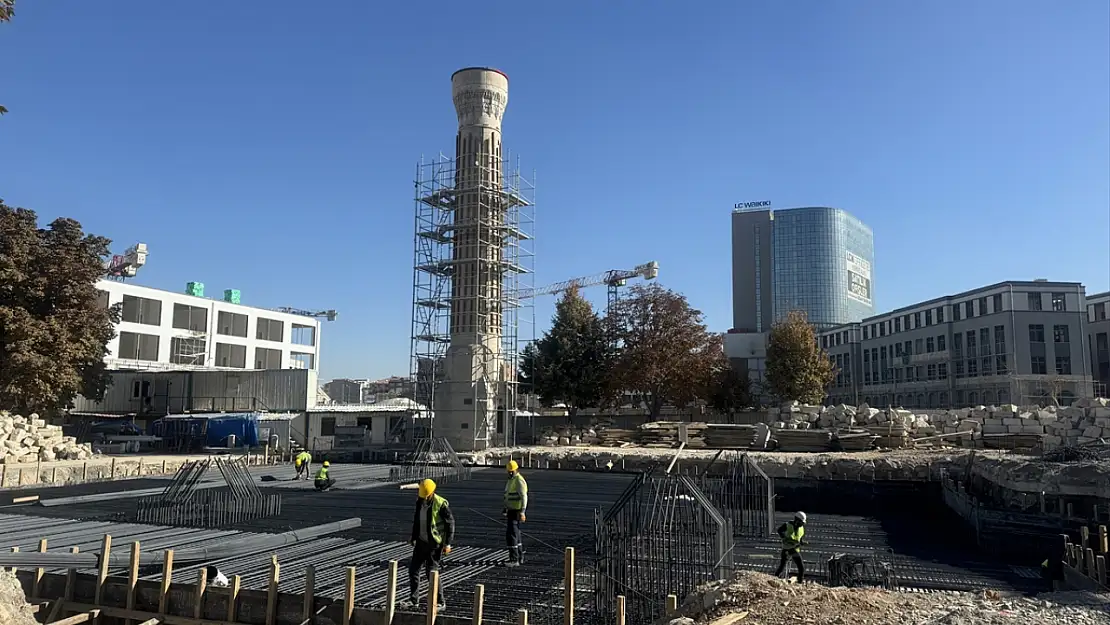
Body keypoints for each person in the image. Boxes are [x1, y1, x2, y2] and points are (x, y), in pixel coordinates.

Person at [409, 478, 454, 610]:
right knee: (413, 571)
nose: (423, 498)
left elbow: (450, 524)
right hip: (421, 543)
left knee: (432, 573)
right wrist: (413, 537)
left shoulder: (440, 504)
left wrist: (448, 544)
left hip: (434, 544)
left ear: (431, 493)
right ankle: (413, 601)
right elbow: (416, 520)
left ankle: (441, 602)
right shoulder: (420, 501)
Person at [503, 460, 528, 566]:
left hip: (516, 511)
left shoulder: (519, 480)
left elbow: (524, 497)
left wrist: (523, 511)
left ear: (515, 470)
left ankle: (514, 560)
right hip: (511, 510)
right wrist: (506, 508)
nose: (509, 473)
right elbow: (508, 495)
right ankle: (519, 557)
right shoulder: (511, 480)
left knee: (511, 535)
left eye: (511, 471)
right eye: (508, 471)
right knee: (515, 534)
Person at [773, 511, 808, 581]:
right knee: (783, 566)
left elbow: (800, 538)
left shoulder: (801, 529)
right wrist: (784, 538)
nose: (801, 524)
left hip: (795, 549)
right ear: (796, 520)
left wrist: (802, 542)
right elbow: (779, 530)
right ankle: (774, 579)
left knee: (800, 568)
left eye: (802, 523)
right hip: (787, 548)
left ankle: (799, 582)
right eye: (801, 522)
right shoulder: (787, 525)